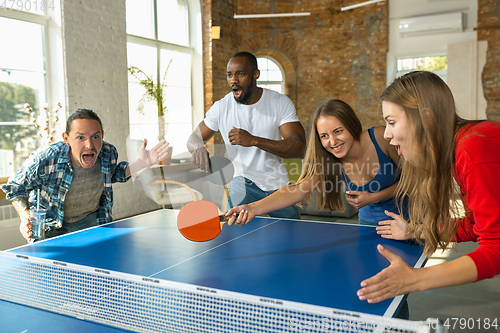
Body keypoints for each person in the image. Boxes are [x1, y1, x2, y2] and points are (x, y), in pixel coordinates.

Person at [356, 71, 500, 304]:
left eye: (391, 122)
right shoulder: (459, 150)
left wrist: (415, 279)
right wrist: (416, 230)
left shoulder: (472, 148)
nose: (386, 134)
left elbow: (496, 248)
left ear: (426, 117)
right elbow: (476, 226)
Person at [226, 99, 405, 227]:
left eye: (338, 131)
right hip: (368, 225)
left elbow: (416, 179)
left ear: (351, 125)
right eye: (324, 136)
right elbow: (296, 190)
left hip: (408, 222)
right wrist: (252, 208)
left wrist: (374, 197)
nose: (333, 141)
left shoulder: (381, 138)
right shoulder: (329, 160)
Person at [1, 108, 170, 241]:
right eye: (80, 137)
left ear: (102, 136)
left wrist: (142, 163)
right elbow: (15, 186)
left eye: (95, 136)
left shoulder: (108, 152)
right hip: (52, 228)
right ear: (66, 138)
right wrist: (25, 217)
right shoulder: (46, 158)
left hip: (91, 222)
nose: (89, 144)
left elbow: (113, 174)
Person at [187, 51, 306, 219]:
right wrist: (198, 147)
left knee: (294, 235)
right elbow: (193, 139)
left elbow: (299, 147)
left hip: (277, 185)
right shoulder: (222, 107)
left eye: (240, 74)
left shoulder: (279, 102)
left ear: (255, 75)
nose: (233, 80)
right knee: (232, 234)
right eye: (230, 75)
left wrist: (254, 140)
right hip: (242, 184)